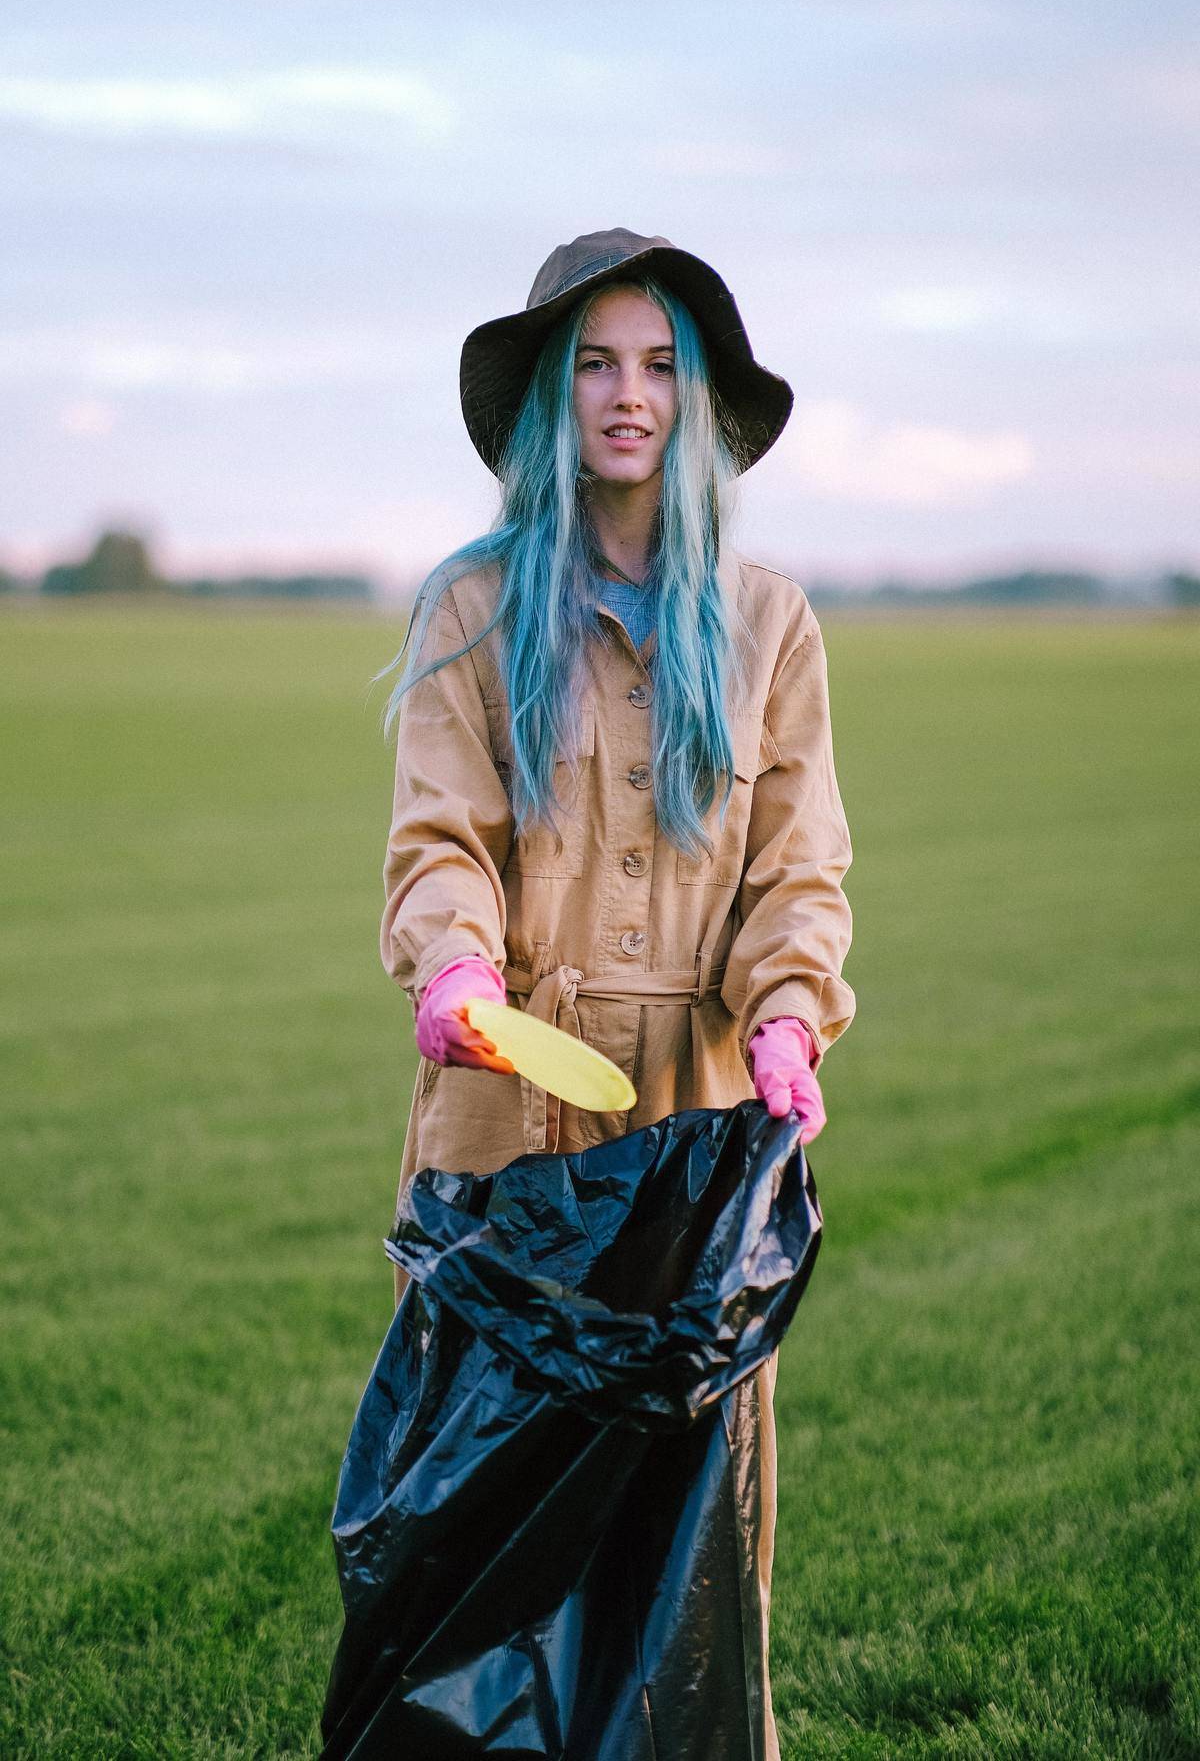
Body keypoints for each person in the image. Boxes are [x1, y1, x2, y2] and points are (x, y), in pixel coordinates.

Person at [373, 227, 856, 1759]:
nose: (628, 395)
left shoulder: (770, 623)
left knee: (684, 1565)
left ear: (697, 402)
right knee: (477, 1553)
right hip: (500, 1123)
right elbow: (436, 839)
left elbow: (798, 871)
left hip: (695, 1149)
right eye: (596, 363)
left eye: (659, 365)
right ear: (551, 400)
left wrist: (789, 1012)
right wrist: (453, 965)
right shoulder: (470, 604)